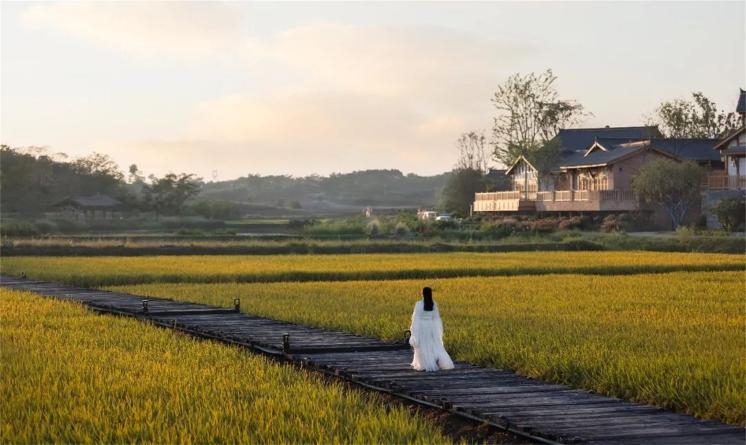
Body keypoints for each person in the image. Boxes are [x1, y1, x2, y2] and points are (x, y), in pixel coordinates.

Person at [409, 287, 454, 371]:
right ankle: (443, 363)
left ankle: (424, 364)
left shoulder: (418, 304)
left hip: (422, 328)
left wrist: (414, 331)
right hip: (431, 328)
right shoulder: (434, 304)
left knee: (423, 346)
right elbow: (436, 319)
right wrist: (437, 331)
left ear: (422, 294)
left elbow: (416, 319)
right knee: (435, 346)